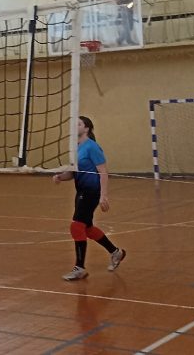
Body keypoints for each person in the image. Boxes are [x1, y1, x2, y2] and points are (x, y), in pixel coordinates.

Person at [52, 116, 126, 280]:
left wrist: (103, 195)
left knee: (76, 226)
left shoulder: (92, 147)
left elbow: (103, 172)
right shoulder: (76, 148)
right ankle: (116, 252)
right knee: (87, 228)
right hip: (81, 190)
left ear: (86, 128)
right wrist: (60, 177)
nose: (75, 126)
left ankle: (80, 267)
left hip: (92, 191)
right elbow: (73, 173)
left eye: (78, 124)